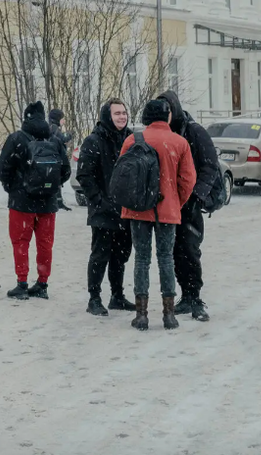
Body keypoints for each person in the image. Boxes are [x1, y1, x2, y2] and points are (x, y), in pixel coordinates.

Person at [119, 98, 196, 331]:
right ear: (168, 117)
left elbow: (122, 176)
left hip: (138, 209)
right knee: (166, 259)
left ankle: (141, 315)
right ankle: (169, 314)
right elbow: (188, 179)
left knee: (141, 259)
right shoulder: (180, 142)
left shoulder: (132, 140)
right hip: (167, 210)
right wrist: (175, 201)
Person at [0, 101, 71, 301]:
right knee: (45, 244)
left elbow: (4, 167)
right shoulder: (54, 140)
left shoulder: (17, 139)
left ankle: (22, 283)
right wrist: (50, 187)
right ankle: (42, 283)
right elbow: (65, 170)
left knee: (21, 242)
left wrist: (13, 187)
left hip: (22, 202)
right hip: (47, 203)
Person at [160, 90, 221, 323]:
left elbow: (209, 165)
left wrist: (196, 195)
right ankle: (185, 294)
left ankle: (195, 296)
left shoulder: (194, 131)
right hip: (171, 202)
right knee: (175, 250)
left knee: (190, 249)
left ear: (174, 108)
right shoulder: (164, 133)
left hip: (190, 202)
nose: (166, 115)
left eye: (168, 110)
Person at [76, 99, 134, 316]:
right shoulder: (94, 141)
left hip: (126, 210)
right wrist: (99, 200)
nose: (122, 116)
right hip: (103, 211)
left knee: (121, 255)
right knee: (100, 255)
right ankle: (94, 297)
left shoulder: (130, 138)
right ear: (107, 116)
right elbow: (84, 175)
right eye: (117, 113)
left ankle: (117, 296)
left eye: (124, 112)